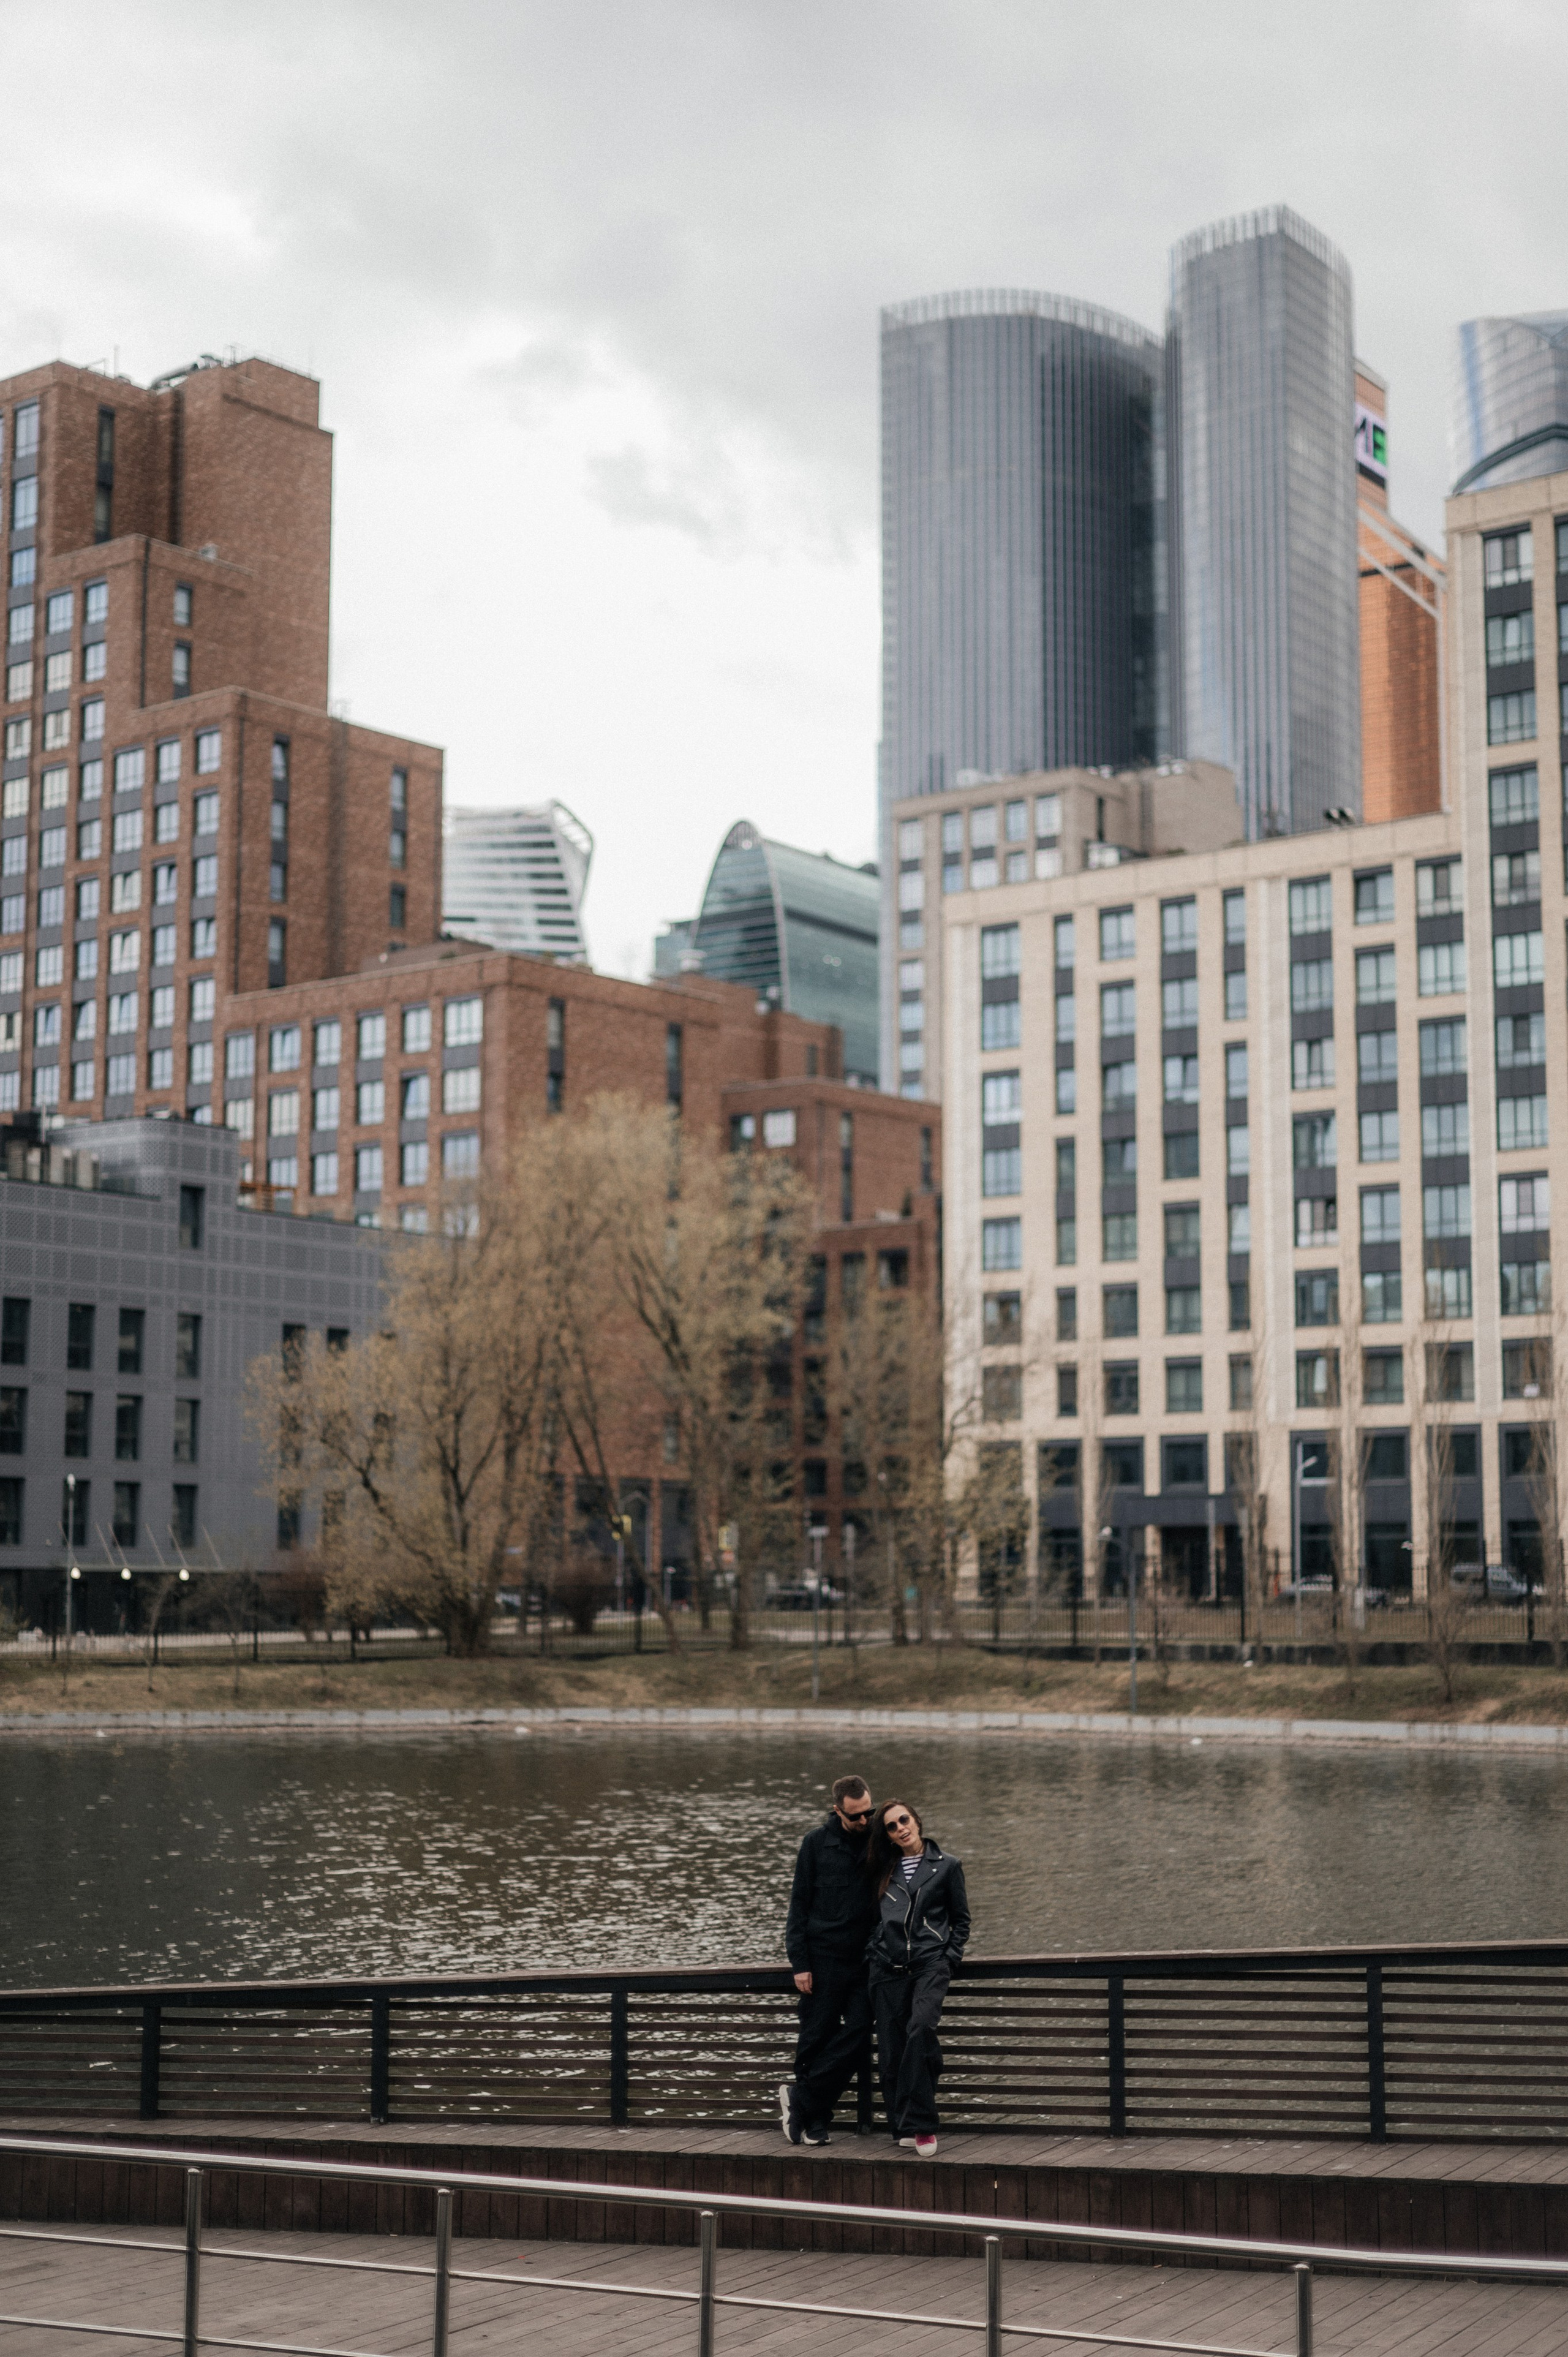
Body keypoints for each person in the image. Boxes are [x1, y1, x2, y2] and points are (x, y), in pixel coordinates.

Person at [864, 1798, 970, 2159]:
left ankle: (923, 2125)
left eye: (904, 1820)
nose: (900, 1829)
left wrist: (949, 1957)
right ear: (888, 1836)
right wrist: (874, 1952)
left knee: (920, 2030)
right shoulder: (881, 1869)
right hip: (887, 1970)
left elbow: (962, 1920)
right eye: (891, 1827)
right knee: (892, 2049)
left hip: (929, 1965)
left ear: (917, 1820)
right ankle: (903, 2125)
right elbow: (870, 1919)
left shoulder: (947, 1866)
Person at [780, 1773, 879, 2145]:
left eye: (869, 1811)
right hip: (822, 1960)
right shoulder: (816, 1844)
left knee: (857, 2033)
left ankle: (800, 2100)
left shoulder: (878, 1841)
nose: (864, 1820)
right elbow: (798, 1906)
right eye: (856, 1816)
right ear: (838, 1811)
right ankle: (816, 2122)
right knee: (816, 2037)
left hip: (866, 1963)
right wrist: (799, 1962)